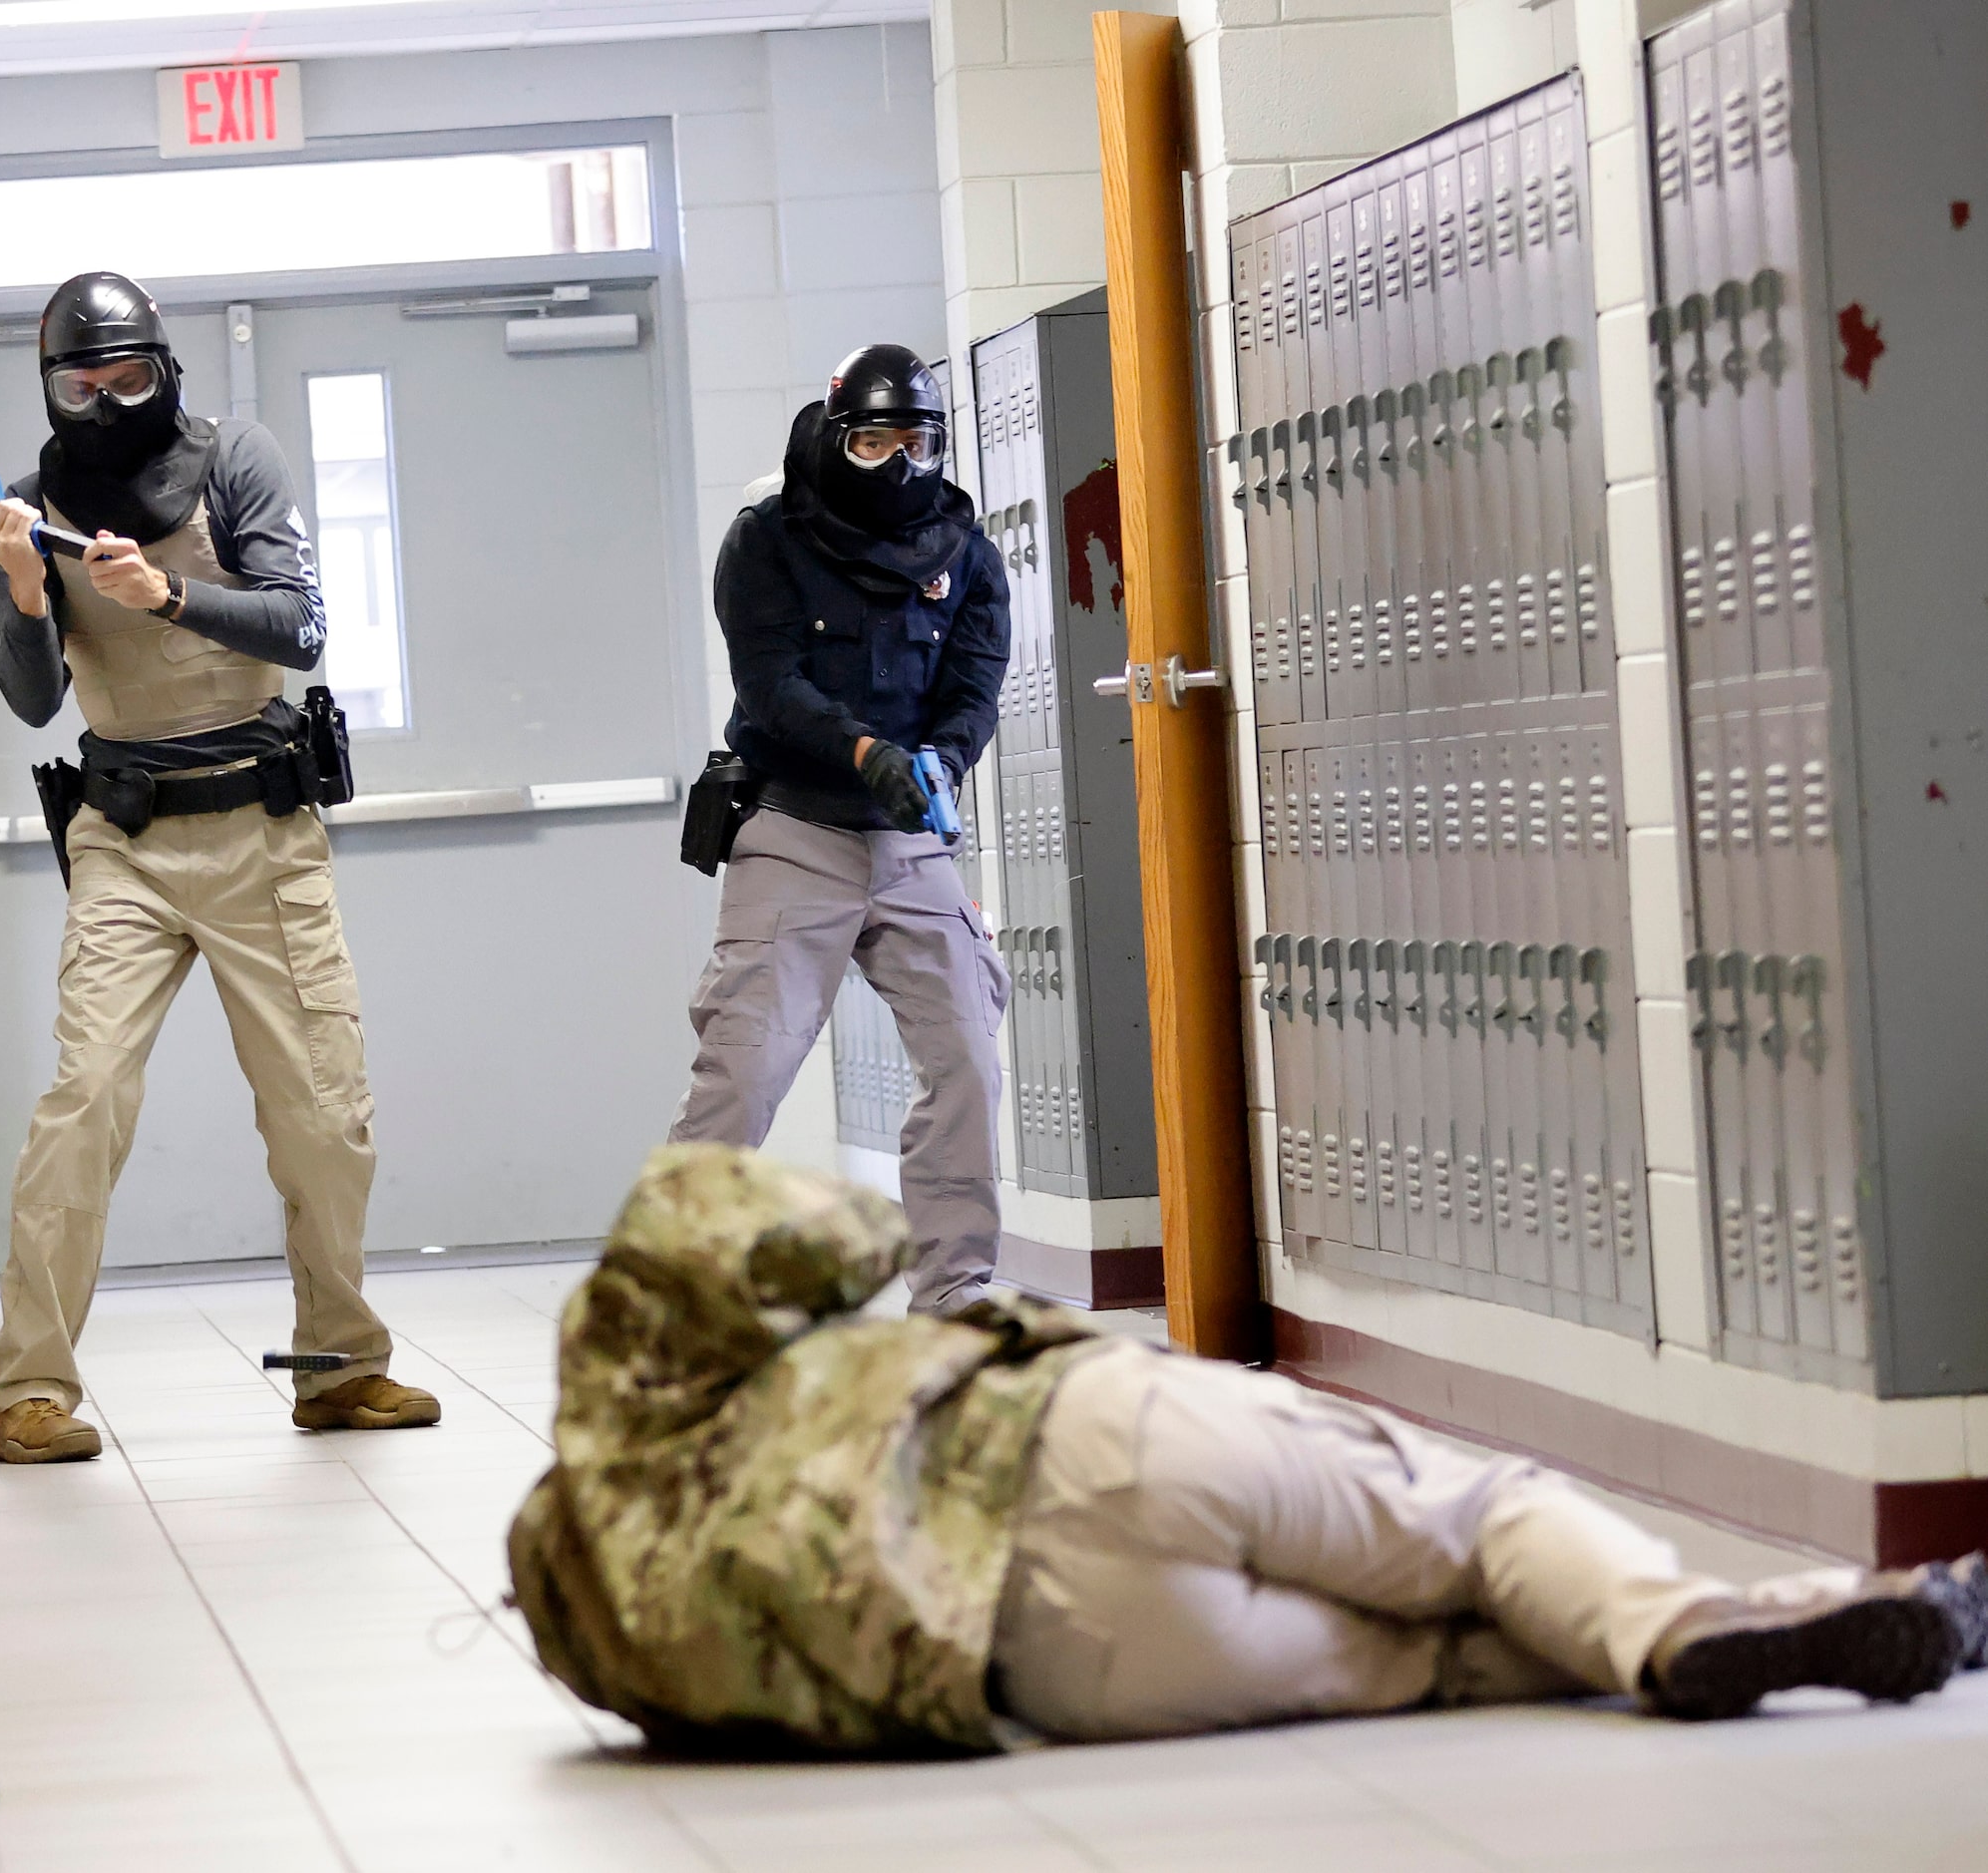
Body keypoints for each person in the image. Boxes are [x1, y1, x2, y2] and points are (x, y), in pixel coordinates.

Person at [509, 1144, 1988, 1752]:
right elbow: (805, 1228)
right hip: (1078, 1439)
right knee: (1482, 1513)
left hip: (1058, 1659)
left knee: (1453, 1655)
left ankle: (1813, 1619)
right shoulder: (638, 1382)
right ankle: (1707, 1619)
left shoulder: (632, 1640)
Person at [0, 270, 436, 1464]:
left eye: (131, 376)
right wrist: (27, 589)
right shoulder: (28, 503)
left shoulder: (238, 458)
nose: (109, 398)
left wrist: (168, 592)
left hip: (260, 831)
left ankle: (338, 1369)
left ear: (165, 370)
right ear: (52, 388)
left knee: (323, 1111)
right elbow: (32, 703)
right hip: (123, 839)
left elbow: (303, 626)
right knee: (82, 1107)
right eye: (84, 380)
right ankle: (33, 1390)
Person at [667, 344, 1012, 1316]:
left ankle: (955, 1295)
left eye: (915, 441)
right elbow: (773, 688)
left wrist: (940, 763)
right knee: (747, 1066)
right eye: (872, 442)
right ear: (836, 437)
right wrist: (868, 756)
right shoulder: (769, 537)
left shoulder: (965, 552)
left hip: (910, 841)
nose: (897, 463)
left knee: (968, 1062)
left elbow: (974, 689)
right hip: (796, 828)